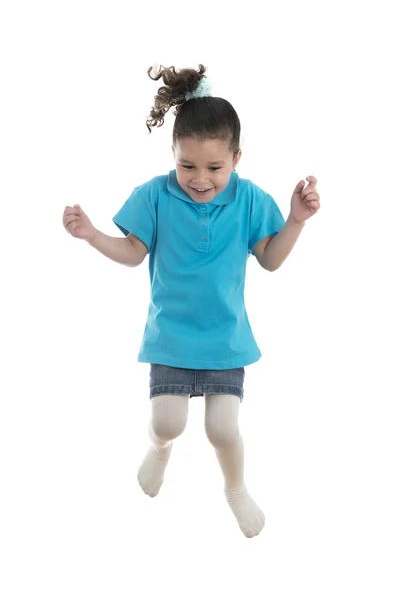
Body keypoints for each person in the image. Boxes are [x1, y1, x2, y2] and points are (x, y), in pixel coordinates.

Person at [62, 64, 321, 538]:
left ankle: (236, 489)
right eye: (187, 166)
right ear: (173, 155)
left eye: (214, 167)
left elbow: (270, 260)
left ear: (237, 158)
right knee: (168, 421)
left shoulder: (249, 200)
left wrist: (296, 222)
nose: (199, 179)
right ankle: (158, 449)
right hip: (173, 338)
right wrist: (92, 235)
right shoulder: (154, 196)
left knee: (222, 429)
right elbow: (132, 253)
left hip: (225, 338)